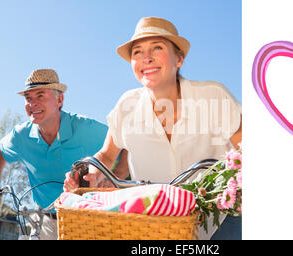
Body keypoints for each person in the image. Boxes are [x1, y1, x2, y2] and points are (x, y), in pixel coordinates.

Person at [64, 17, 242, 239]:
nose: (146, 58)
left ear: (179, 59)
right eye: (137, 52)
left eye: (157, 47)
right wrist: (93, 175)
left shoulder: (213, 96)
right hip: (158, 220)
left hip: (221, 215)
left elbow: (244, 149)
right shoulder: (126, 106)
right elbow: (107, 155)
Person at [0, 69, 112, 240]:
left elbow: (121, 142)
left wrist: (113, 177)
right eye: (28, 98)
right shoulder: (21, 136)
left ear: (59, 99)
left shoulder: (86, 128)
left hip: (85, 220)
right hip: (44, 220)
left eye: (40, 96)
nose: (32, 103)